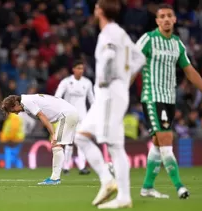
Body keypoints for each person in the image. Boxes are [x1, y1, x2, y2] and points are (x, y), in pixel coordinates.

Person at [136, 4, 202, 199]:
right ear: (157, 21)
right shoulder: (148, 40)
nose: (166, 19)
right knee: (167, 139)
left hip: (169, 99)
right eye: (162, 16)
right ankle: (179, 186)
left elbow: (190, 72)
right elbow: (132, 66)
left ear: (174, 20)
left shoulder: (177, 44)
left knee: (158, 143)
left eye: (169, 16)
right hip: (152, 97)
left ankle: (147, 186)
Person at [72, 0, 146, 208]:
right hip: (111, 93)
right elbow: (139, 58)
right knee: (80, 137)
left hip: (109, 93)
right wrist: (125, 77)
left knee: (114, 145)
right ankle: (107, 181)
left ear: (101, 11)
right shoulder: (119, 32)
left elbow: (110, 55)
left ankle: (123, 196)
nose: (94, 10)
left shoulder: (109, 34)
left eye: (96, 7)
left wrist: (107, 78)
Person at [1, 94, 79, 185]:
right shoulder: (27, 102)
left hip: (67, 114)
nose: (15, 113)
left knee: (56, 144)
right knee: (57, 144)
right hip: (68, 113)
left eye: (13, 110)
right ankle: (55, 178)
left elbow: (42, 116)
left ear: (16, 103)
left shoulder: (26, 102)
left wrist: (53, 134)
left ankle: (55, 179)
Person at [54, 60, 94, 175]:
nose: (81, 71)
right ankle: (66, 166)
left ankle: (82, 167)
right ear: (73, 69)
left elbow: (92, 100)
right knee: (68, 142)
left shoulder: (87, 83)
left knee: (81, 141)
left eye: (82, 68)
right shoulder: (66, 82)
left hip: (82, 117)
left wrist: (94, 114)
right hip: (68, 115)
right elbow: (58, 96)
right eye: (79, 68)